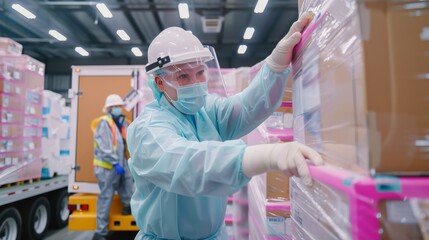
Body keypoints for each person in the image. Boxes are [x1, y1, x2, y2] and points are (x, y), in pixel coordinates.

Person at [127, 12, 322, 240]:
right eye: (183, 77)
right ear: (160, 82)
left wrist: (275, 66)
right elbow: (186, 163)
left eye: (200, 72)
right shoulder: (148, 129)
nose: (196, 83)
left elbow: (246, 108)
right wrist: (268, 155)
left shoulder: (204, 111)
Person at [91, 94, 134, 240]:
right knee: (106, 197)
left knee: (127, 186)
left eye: (119, 106)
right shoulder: (104, 123)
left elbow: (125, 143)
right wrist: (115, 162)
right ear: (109, 108)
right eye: (115, 106)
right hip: (107, 167)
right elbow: (104, 147)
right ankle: (100, 232)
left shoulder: (122, 122)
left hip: (121, 164)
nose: (118, 108)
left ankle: (127, 208)